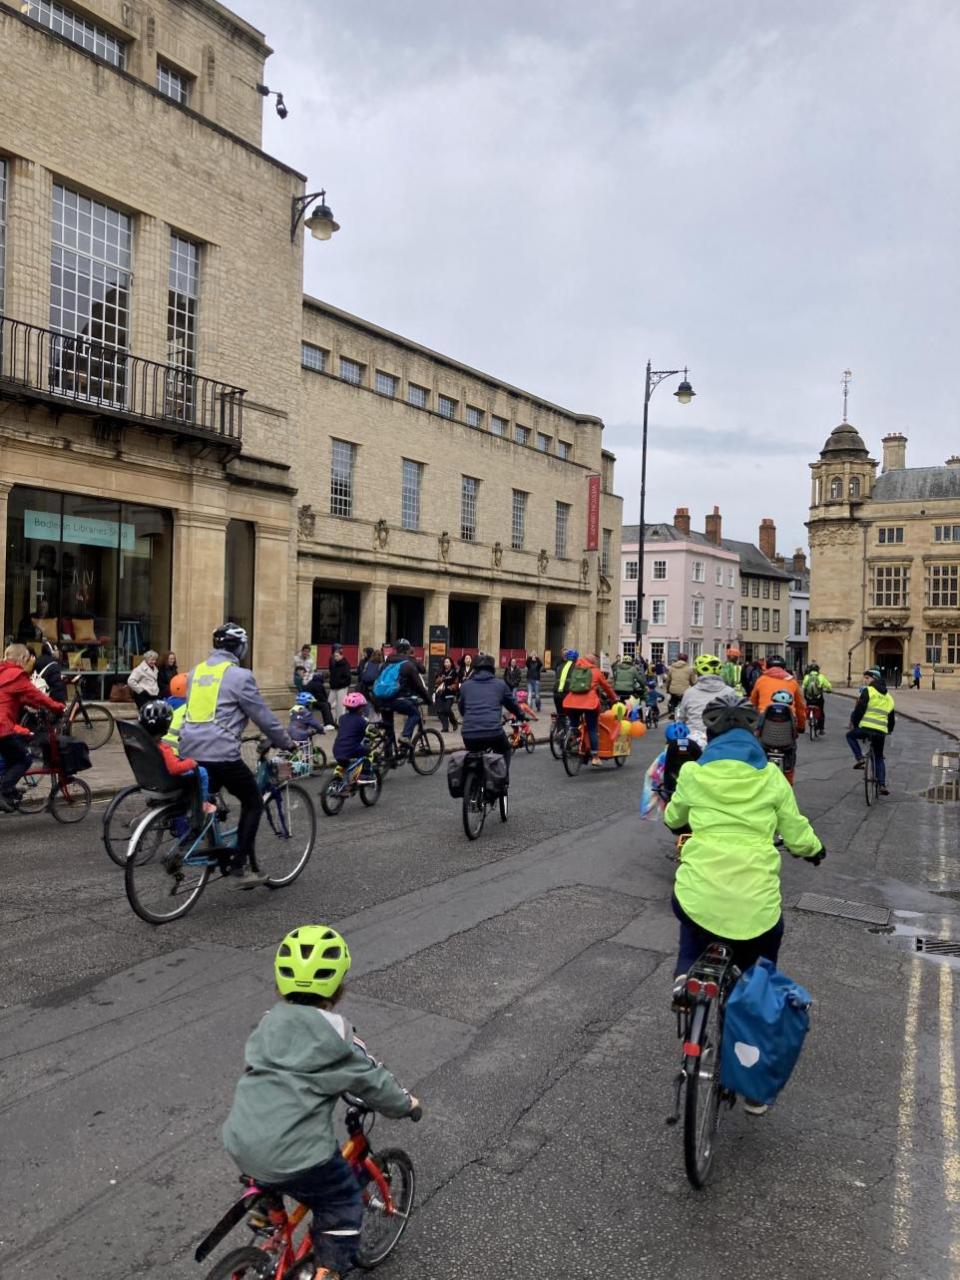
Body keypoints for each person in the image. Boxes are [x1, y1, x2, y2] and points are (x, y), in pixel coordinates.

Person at [222, 925, 419, 1280]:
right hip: (295, 1154)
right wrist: (407, 1104)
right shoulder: (338, 1034)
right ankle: (325, 1272)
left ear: (281, 984)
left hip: (241, 1138)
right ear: (339, 986)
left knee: (269, 1167)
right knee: (342, 1205)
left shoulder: (268, 1023)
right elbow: (372, 1079)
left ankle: (267, 1209)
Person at [664, 699, 824, 1111]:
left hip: (700, 896)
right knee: (760, 966)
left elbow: (673, 818)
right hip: (755, 909)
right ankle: (754, 1087)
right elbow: (797, 831)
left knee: (692, 914)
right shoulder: (771, 778)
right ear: (753, 739)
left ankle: (686, 975)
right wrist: (814, 850)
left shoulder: (696, 773)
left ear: (712, 740)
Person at [179, 624, 295, 889]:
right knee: (253, 801)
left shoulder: (196, 672)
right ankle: (239, 866)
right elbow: (262, 715)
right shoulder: (239, 676)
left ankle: (210, 842)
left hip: (189, 749)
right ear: (240, 648)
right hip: (220, 752)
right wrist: (285, 742)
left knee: (209, 795)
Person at [0, 643, 65, 812]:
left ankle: (8, 787)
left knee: (9, 756)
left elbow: (22, 697)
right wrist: (58, 707)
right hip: (2, 728)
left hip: (5, 726)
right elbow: (38, 696)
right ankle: (4, 790)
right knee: (24, 759)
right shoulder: (16, 675)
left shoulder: (2, 672)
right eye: (28, 659)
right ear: (22, 658)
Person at [457, 652, 525, 787]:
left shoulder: (465, 686)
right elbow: (512, 705)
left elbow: (461, 708)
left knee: (474, 753)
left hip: (469, 732)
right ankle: (504, 778)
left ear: (475, 669)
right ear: (492, 669)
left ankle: (473, 785)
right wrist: (521, 715)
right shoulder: (500, 685)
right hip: (493, 731)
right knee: (505, 749)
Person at [372, 639, 430, 753]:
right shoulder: (407, 665)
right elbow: (419, 686)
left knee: (389, 727)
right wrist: (428, 700)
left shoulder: (385, 664)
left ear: (395, 650)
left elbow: (378, 681)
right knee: (415, 714)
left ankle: (388, 757)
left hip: (381, 699)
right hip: (397, 700)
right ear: (408, 650)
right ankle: (405, 736)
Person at [562, 651, 617, 767]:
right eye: (596, 660)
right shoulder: (596, 671)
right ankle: (595, 756)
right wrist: (614, 698)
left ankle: (571, 740)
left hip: (572, 701)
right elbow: (607, 687)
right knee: (592, 728)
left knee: (573, 724)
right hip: (589, 702)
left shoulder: (576, 669)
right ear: (593, 662)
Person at [846, 667, 895, 795]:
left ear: (874, 679)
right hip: (881, 731)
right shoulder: (889, 697)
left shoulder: (869, 691)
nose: (865, 681)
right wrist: (888, 730)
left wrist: (856, 725)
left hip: (866, 728)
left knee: (849, 736)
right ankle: (882, 785)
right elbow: (891, 717)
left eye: (867, 678)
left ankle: (859, 758)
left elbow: (859, 710)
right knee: (879, 757)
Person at [675, 653, 743, 746]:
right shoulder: (730, 692)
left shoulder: (689, 693)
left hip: (694, 742)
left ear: (698, 673)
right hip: (721, 741)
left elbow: (681, 718)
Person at [749, 654, 807, 733]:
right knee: (792, 740)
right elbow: (800, 706)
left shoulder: (761, 680)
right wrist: (801, 726)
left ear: (767, 667)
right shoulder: (792, 682)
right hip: (788, 719)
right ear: (784, 668)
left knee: (758, 737)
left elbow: (752, 702)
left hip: (765, 719)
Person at [757, 688, 800, 785]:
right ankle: (789, 772)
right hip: (786, 745)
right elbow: (794, 731)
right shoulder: (791, 715)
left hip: (766, 743)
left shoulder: (765, 711)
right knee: (792, 750)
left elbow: (759, 727)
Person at [332, 690, 376, 783]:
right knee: (369, 752)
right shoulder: (361, 721)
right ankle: (364, 774)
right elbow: (368, 733)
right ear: (360, 709)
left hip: (337, 749)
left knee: (343, 762)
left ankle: (338, 777)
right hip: (351, 749)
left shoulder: (342, 718)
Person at [660, 719, 702, 801]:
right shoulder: (695, 746)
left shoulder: (667, 752)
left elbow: (654, 775)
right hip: (695, 790)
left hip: (673, 790)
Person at [553, 648, 579, 734]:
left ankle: (560, 732)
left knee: (560, 714)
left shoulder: (560, 666)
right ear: (576, 658)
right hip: (567, 693)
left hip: (556, 693)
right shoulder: (576, 667)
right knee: (572, 714)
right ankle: (570, 735)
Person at [34, 639, 68, 704]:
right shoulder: (54, 663)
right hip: (51, 698)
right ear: (52, 651)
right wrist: (61, 702)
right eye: (56, 650)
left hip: (40, 695)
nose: (58, 652)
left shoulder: (38, 660)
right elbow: (56, 685)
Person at [801, 663, 833, 732]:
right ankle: (821, 729)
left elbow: (803, 686)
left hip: (809, 698)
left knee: (808, 707)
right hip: (818, 699)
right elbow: (829, 686)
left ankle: (809, 718)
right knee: (821, 711)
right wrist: (829, 690)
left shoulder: (807, 676)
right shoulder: (821, 676)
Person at [433, 656, 460, 732]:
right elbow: (436, 682)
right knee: (440, 711)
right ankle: (445, 727)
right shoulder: (441, 672)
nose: (446, 664)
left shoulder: (454, 672)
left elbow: (456, 683)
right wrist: (441, 679)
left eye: (448, 662)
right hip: (441, 694)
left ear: (451, 663)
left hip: (450, 694)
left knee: (447, 709)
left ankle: (454, 722)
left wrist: (449, 687)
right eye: (445, 662)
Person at [327, 645, 353, 722]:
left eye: (337, 656)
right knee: (329, 703)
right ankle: (331, 720)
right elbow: (332, 674)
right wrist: (332, 682)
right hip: (334, 687)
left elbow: (347, 678)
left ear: (341, 656)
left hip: (341, 687)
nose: (335, 658)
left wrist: (340, 683)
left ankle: (340, 721)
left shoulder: (345, 664)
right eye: (335, 656)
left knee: (340, 706)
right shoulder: (335, 663)